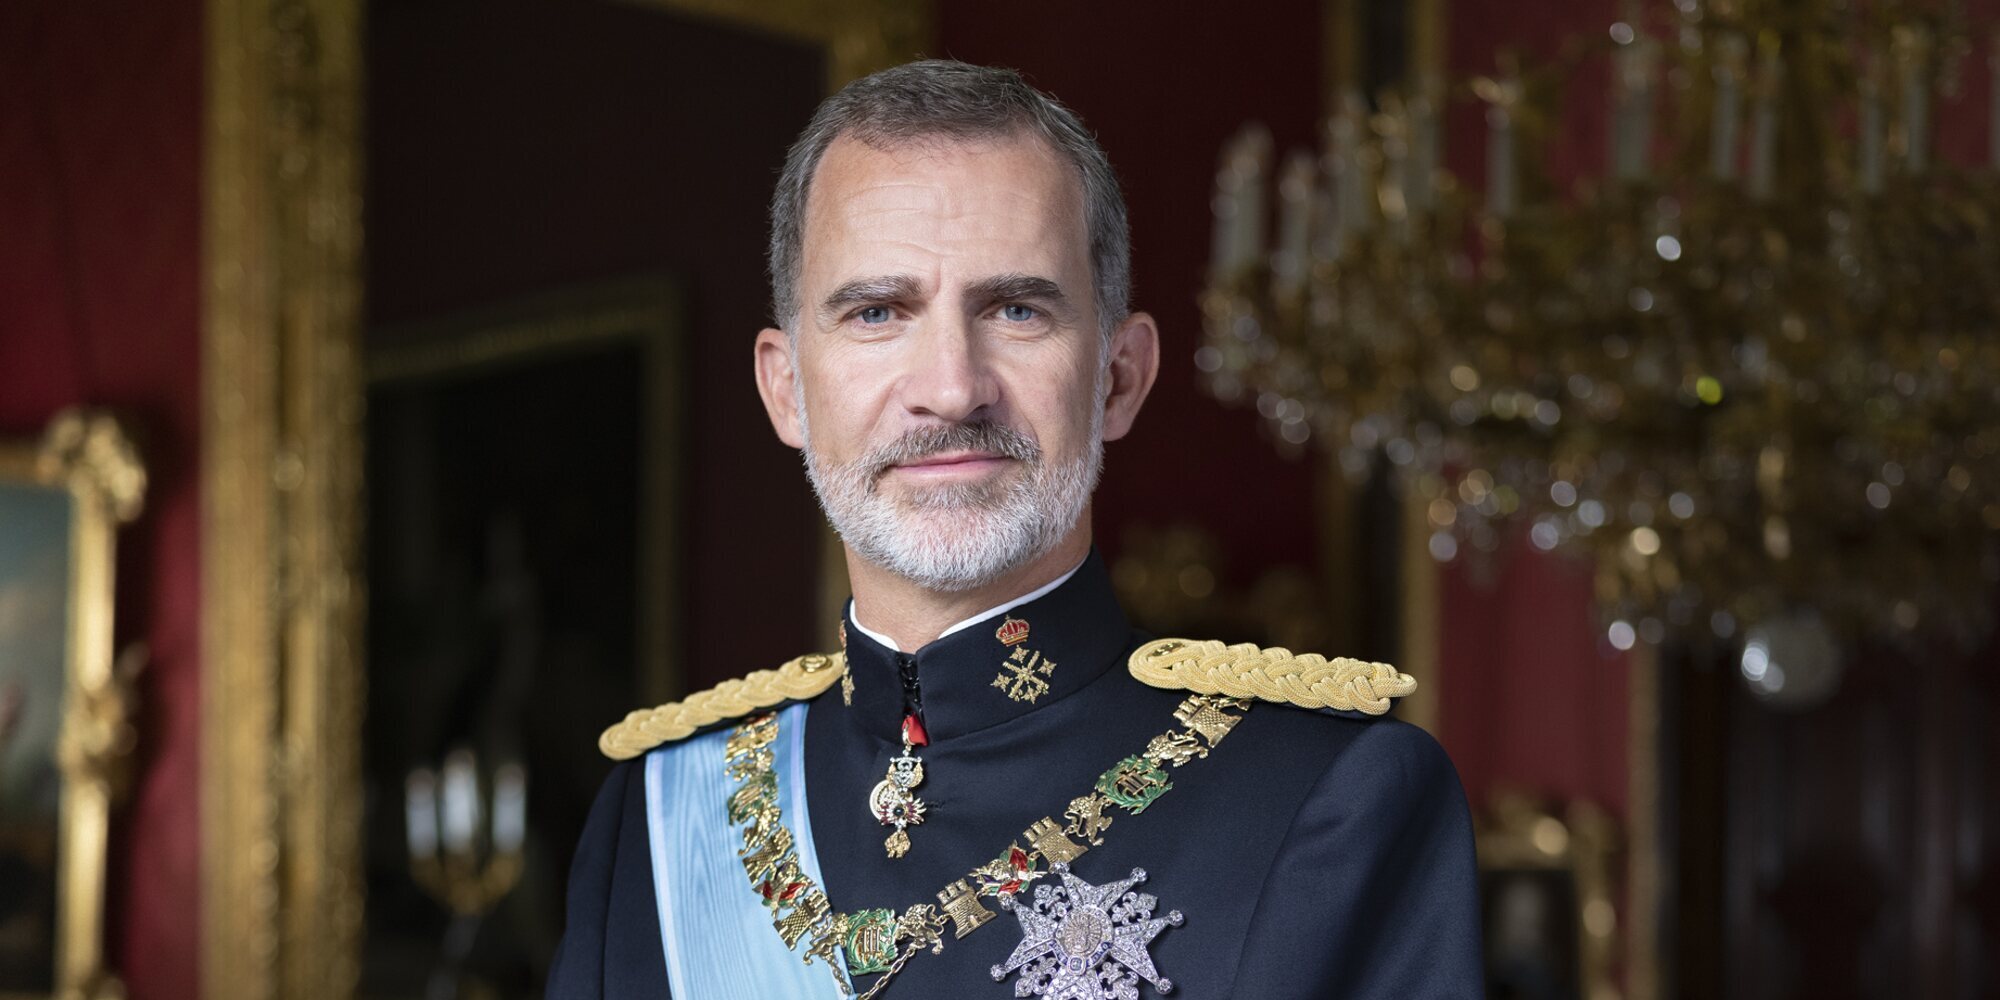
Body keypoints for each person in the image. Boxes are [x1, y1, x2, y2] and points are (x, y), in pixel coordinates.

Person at [547, 59, 1483, 999]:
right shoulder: (657, 823)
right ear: (786, 389)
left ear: (1119, 377)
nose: (952, 388)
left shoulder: (1325, 799)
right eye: (877, 313)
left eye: (1017, 309)